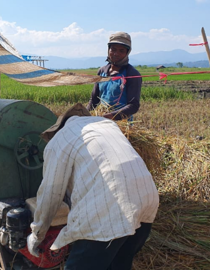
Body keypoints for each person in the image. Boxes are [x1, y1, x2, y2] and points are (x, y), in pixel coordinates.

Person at [26, 103, 159, 270]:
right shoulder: (107, 125)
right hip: (147, 200)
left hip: (108, 212)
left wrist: (37, 234)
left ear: (56, 130)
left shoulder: (60, 140)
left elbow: (51, 193)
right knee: (118, 264)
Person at [87, 32, 142, 120]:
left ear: (127, 53)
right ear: (108, 50)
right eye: (113, 49)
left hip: (122, 123)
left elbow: (133, 105)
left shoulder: (132, 74)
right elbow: (94, 100)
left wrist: (112, 116)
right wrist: (85, 115)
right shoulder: (102, 71)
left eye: (121, 51)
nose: (116, 53)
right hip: (101, 119)